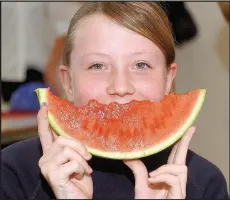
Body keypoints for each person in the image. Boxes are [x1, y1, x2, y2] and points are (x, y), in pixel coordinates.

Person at [1, 2, 228, 199]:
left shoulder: (204, 184)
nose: (120, 87)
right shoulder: (13, 174)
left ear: (168, 79)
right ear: (67, 82)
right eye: (97, 66)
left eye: (141, 65)